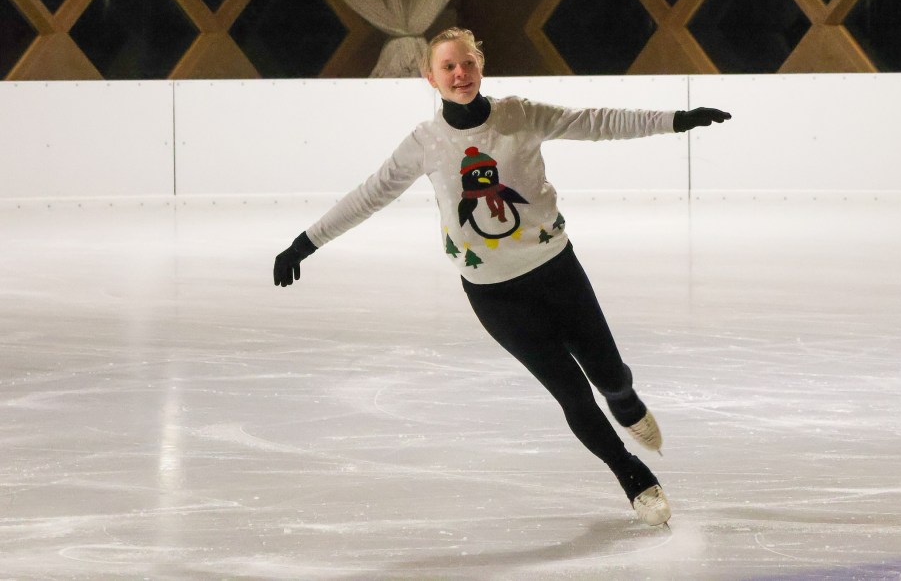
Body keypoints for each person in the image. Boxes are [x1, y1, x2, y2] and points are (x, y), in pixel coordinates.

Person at [274, 28, 731, 526]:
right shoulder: (425, 144)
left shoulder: (519, 114)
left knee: (610, 377)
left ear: (480, 65)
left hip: (557, 271)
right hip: (496, 296)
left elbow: (596, 121)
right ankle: (632, 475)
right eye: (448, 67)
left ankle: (624, 400)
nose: (459, 74)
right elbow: (369, 195)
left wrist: (675, 120)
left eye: (466, 63)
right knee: (572, 393)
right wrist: (305, 243)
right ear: (430, 77)